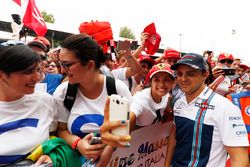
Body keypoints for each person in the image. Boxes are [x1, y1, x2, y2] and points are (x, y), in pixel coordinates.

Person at [54, 34, 134, 167]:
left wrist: (109, 149)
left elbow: (123, 128)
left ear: (90, 64)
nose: (62, 70)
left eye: (67, 65)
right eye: (61, 64)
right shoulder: (63, 92)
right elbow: (61, 130)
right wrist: (78, 144)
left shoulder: (116, 89)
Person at [165, 53, 249, 167]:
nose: (183, 79)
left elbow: (240, 159)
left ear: (205, 75)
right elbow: (174, 137)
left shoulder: (225, 107)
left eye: (190, 74)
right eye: (179, 74)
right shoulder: (179, 102)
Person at [0, 44, 56, 166]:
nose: (36, 78)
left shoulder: (46, 101)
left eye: (37, 70)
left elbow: (55, 135)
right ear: (2, 74)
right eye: (27, 72)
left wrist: (52, 154)